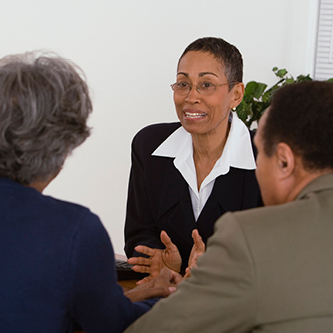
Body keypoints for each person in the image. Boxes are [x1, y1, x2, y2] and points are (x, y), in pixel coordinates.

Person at [124, 80, 333, 332]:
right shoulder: (149, 145)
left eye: (259, 152)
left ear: (284, 162)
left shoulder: (252, 237)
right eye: (182, 83)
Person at [0, 51, 179, 333]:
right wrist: (170, 298)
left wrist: (125, 298)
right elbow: (113, 325)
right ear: (64, 143)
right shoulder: (73, 231)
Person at [125, 37, 262, 278]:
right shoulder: (149, 146)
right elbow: (140, 235)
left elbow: (276, 255)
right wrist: (165, 265)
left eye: (207, 84)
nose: (190, 97)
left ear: (236, 94)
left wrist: (214, 271)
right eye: (183, 84)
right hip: (165, 294)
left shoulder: (265, 157)